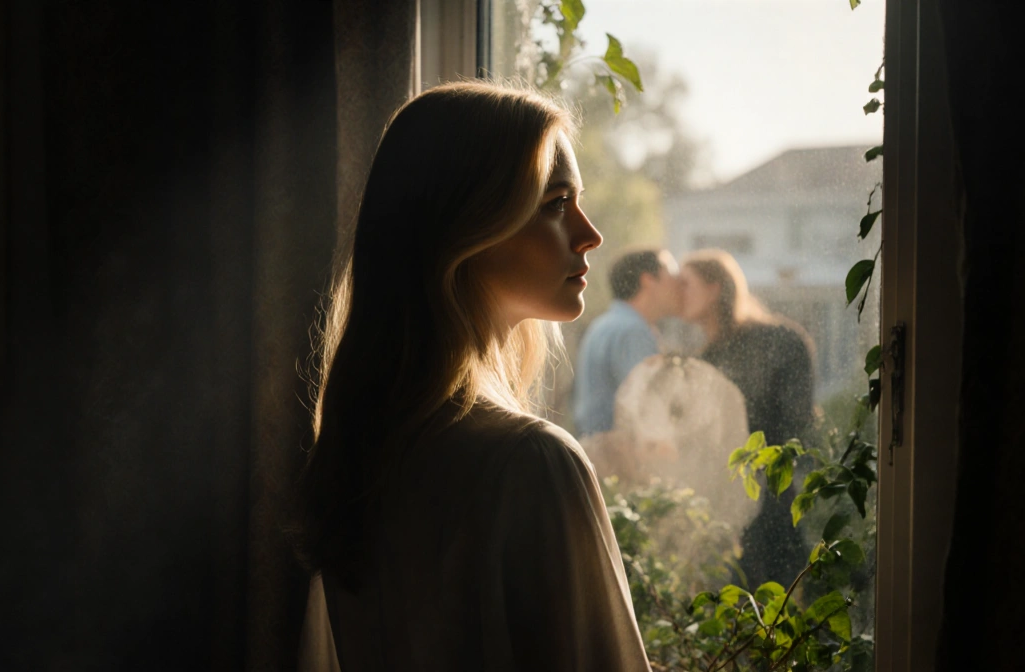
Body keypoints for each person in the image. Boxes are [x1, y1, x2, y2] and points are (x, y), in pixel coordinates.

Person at [292, 81, 652, 671]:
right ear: (466, 226)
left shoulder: (361, 453)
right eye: (556, 203)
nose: (590, 235)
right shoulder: (530, 462)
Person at [678, 248, 816, 590]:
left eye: (686, 284)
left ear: (713, 289)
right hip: (725, 501)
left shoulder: (779, 340)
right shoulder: (705, 358)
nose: (678, 293)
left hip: (770, 495)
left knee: (774, 599)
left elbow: (795, 422)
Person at [572, 249, 681, 437]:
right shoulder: (632, 331)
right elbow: (649, 407)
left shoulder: (605, 324)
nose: (678, 286)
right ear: (648, 280)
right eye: (672, 276)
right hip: (619, 457)